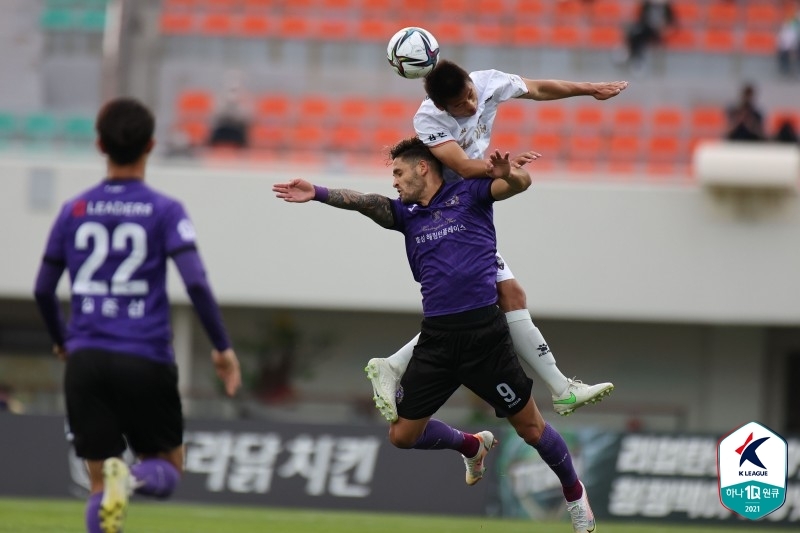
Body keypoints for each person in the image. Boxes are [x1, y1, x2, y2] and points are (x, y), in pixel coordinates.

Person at [273, 137, 596, 533]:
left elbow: (519, 184)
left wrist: (509, 172)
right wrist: (319, 193)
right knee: (402, 436)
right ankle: (471, 445)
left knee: (531, 429)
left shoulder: (471, 192)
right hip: (437, 341)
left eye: (398, 172)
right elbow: (364, 200)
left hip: (485, 338)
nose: (393, 181)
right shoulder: (406, 214)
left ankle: (575, 496)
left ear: (423, 167)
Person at [366, 59, 624, 423]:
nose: (471, 106)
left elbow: (538, 87)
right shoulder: (428, 120)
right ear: (443, 108)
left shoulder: (487, 82)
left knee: (510, 295)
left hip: (471, 205)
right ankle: (561, 390)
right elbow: (466, 167)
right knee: (502, 298)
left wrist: (590, 88)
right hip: (449, 209)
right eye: (460, 105)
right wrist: (500, 170)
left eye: (471, 95)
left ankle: (393, 364)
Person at [33, 98, 241, 533]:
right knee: (165, 469)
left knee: (98, 485)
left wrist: (61, 340)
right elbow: (197, 283)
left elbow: (42, 288)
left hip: (85, 357)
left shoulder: (73, 209)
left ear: (99, 145)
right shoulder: (164, 210)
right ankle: (128, 478)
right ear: (150, 144)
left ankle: (116, 480)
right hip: (144, 354)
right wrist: (222, 348)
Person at [617, 0, 677, 70]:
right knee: (636, 33)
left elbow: (673, 22)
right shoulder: (647, 6)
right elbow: (641, 20)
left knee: (639, 35)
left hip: (660, 33)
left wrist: (666, 30)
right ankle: (635, 57)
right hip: (647, 30)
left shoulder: (667, 7)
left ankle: (629, 54)